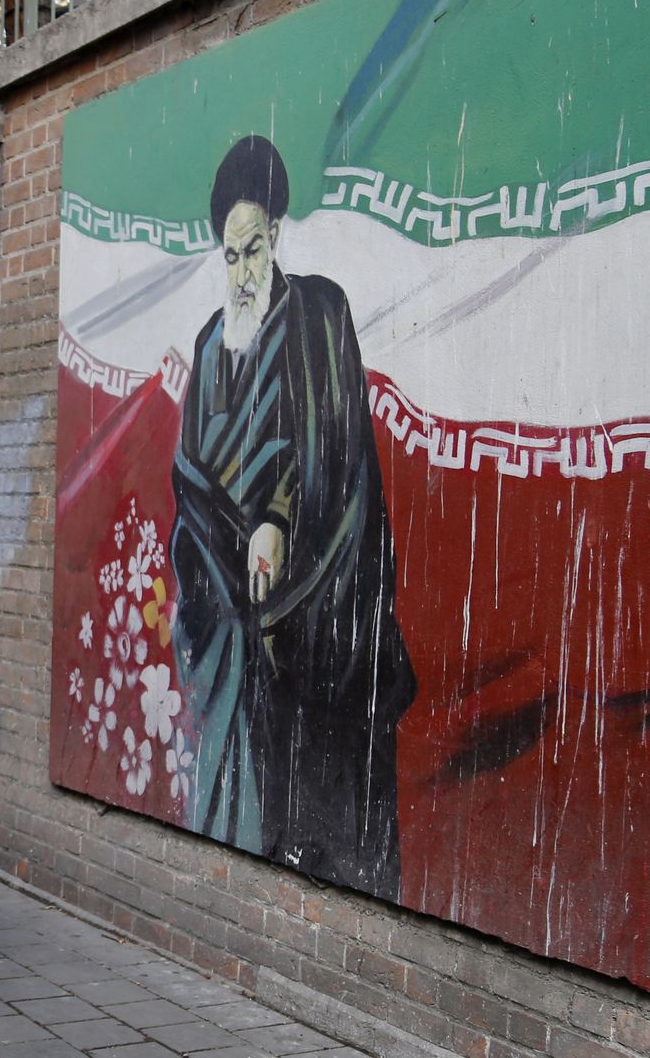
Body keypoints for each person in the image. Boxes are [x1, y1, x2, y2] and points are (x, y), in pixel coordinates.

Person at [170, 135, 415, 899]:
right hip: (234, 614)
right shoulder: (211, 345)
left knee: (326, 807)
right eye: (230, 256)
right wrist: (225, 554)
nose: (242, 271)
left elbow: (335, 450)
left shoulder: (320, 313)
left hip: (316, 601)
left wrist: (278, 520)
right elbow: (189, 479)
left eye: (252, 249)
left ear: (275, 233)